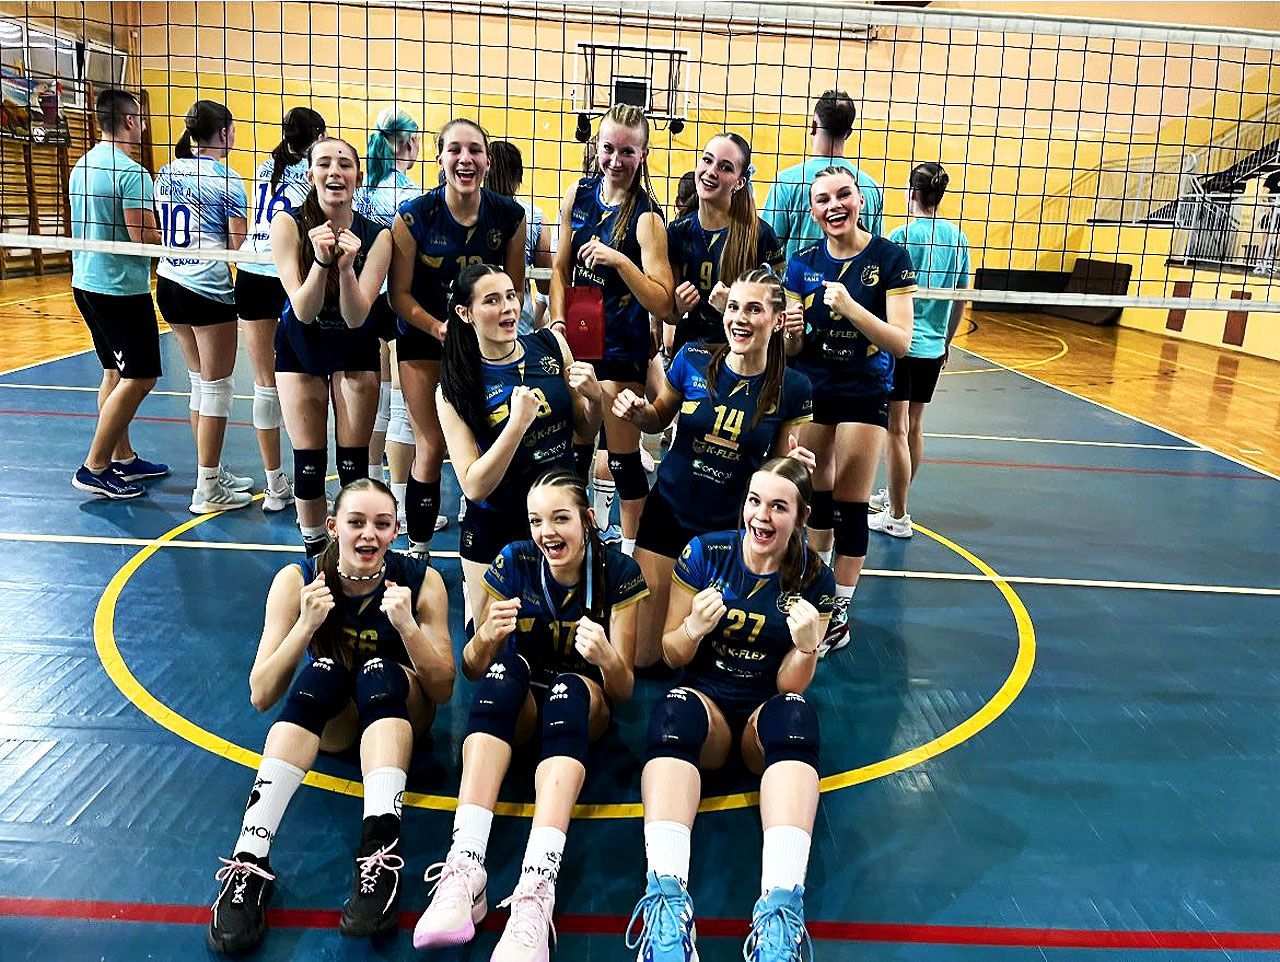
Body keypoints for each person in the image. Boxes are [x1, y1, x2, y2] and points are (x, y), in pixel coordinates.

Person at [206, 479, 454, 953]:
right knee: (324, 671)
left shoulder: (421, 581)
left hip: (402, 714)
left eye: (382, 524)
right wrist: (305, 625)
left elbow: (443, 688)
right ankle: (250, 857)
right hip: (338, 726)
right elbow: (261, 693)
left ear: (396, 531)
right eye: (356, 523)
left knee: (378, 672)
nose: (368, 534)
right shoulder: (298, 580)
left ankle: (379, 853)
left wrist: (406, 626)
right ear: (334, 526)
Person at [413, 469, 647, 958]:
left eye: (560, 518)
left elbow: (623, 690)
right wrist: (485, 635)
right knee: (501, 675)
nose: (547, 532)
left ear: (588, 519)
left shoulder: (618, 571)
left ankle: (538, 886)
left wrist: (607, 656)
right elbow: (473, 668)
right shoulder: (515, 560)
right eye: (536, 520)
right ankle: (465, 865)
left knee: (568, 688)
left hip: (583, 706)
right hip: (518, 709)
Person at [624, 457, 834, 962]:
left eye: (778, 507)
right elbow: (672, 653)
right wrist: (693, 627)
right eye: (755, 501)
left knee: (797, 716)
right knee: (672, 710)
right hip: (709, 712)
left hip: (763, 717)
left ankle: (780, 915)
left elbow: (789, 685)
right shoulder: (705, 553)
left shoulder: (814, 579)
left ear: (800, 517)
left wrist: (807, 646)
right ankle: (666, 903)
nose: (761, 516)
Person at [612, 268, 812, 668]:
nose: (739, 318)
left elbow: (776, 469)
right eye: (734, 307)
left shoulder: (792, 387)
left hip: (728, 527)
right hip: (670, 511)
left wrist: (795, 469)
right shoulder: (693, 357)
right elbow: (658, 417)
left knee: (705, 659)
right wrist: (638, 413)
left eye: (753, 309)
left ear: (777, 320)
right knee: (645, 659)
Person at [785, 167, 915, 654]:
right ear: (813, 210)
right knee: (816, 499)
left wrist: (852, 307)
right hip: (815, 386)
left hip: (864, 388)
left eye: (843, 195)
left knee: (850, 503)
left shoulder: (889, 257)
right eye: (823, 199)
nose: (834, 205)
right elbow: (794, 349)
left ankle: (839, 609)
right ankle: (816, 592)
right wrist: (789, 333)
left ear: (860, 200)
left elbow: (901, 342)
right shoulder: (802, 263)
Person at [435, 264, 603, 626]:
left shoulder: (552, 345)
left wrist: (595, 399)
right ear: (465, 313)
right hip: (496, 526)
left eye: (511, 296)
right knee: (490, 643)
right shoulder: (455, 387)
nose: (508, 308)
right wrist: (516, 425)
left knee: (569, 635)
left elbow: (585, 430)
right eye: (492, 300)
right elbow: (474, 486)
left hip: (558, 517)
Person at [389, 118, 527, 557]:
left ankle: (484, 532)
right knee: (431, 445)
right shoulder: (413, 216)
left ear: (487, 161)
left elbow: (515, 290)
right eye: (455, 150)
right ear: (439, 158)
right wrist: (437, 327)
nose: (465, 159)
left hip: (481, 345)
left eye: (475, 150)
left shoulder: (509, 215)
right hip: (424, 339)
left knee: (488, 437)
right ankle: (418, 548)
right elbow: (398, 295)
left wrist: (491, 329)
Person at [550, 104, 674, 556]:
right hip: (578, 341)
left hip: (622, 347)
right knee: (576, 452)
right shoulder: (578, 194)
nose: (615, 160)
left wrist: (620, 261)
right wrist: (557, 322)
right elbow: (560, 269)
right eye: (608, 148)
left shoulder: (647, 217)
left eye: (627, 151)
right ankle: (577, 539)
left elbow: (664, 301)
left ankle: (630, 552)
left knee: (621, 460)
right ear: (596, 147)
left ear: (643, 155)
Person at [270, 136, 393, 556]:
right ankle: (315, 556)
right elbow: (303, 310)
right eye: (324, 163)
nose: (334, 171)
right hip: (300, 343)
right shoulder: (288, 224)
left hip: (354, 343)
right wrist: (322, 261)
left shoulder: (377, 236)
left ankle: (354, 554)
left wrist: (346, 268)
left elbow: (357, 316)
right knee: (308, 461)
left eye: (344, 164)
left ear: (358, 176)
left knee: (353, 463)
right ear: (310, 175)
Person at [67, 87, 168, 500]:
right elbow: (142, 236)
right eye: (140, 118)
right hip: (119, 290)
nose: (143, 125)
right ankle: (94, 466)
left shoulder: (82, 165)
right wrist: (184, 243)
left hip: (85, 282)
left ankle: (122, 457)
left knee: (114, 372)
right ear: (129, 121)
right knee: (140, 377)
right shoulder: (131, 172)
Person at [154, 99, 252, 513]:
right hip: (206, 288)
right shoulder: (227, 179)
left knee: (200, 385)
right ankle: (207, 490)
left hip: (169, 282)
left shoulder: (167, 171)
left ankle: (208, 471)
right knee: (216, 389)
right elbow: (237, 245)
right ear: (224, 132)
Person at [872, 162, 970, 538]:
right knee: (914, 425)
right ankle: (896, 495)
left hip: (902, 344)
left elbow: (883, 295)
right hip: (932, 348)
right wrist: (946, 341)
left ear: (911, 192)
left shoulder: (900, 237)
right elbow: (960, 298)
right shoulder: (957, 239)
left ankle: (898, 516)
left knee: (896, 430)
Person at [237, 106, 327, 512]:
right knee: (302, 383)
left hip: (250, 272)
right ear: (318, 137)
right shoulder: (312, 173)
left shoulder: (264, 167)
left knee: (264, 384)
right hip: (289, 275)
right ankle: (310, 481)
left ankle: (275, 485)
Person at [354, 107, 423, 510]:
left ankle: (371, 487)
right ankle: (399, 504)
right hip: (397, 301)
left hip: (365, 298)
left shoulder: (364, 191)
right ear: (410, 143)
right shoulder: (409, 194)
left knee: (378, 399)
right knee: (400, 404)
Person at [665, 134, 784, 353]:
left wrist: (734, 305)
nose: (711, 172)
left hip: (742, 353)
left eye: (725, 168)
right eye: (707, 160)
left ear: (740, 182)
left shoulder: (761, 235)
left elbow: (777, 314)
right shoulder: (677, 231)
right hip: (690, 350)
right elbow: (670, 316)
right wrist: (678, 307)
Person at [763, 89, 884, 261]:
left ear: (813, 126)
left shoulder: (786, 183)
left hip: (801, 279)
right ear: (848, 133)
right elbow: (878, 253)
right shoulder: (872, 188)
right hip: (854, 279)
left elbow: (765, 248)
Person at [487, 140, 555, 335]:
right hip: (517, 321)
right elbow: (545, 283)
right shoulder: (534, 216)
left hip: (475, 318)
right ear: (519, 177)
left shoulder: (467, 212)